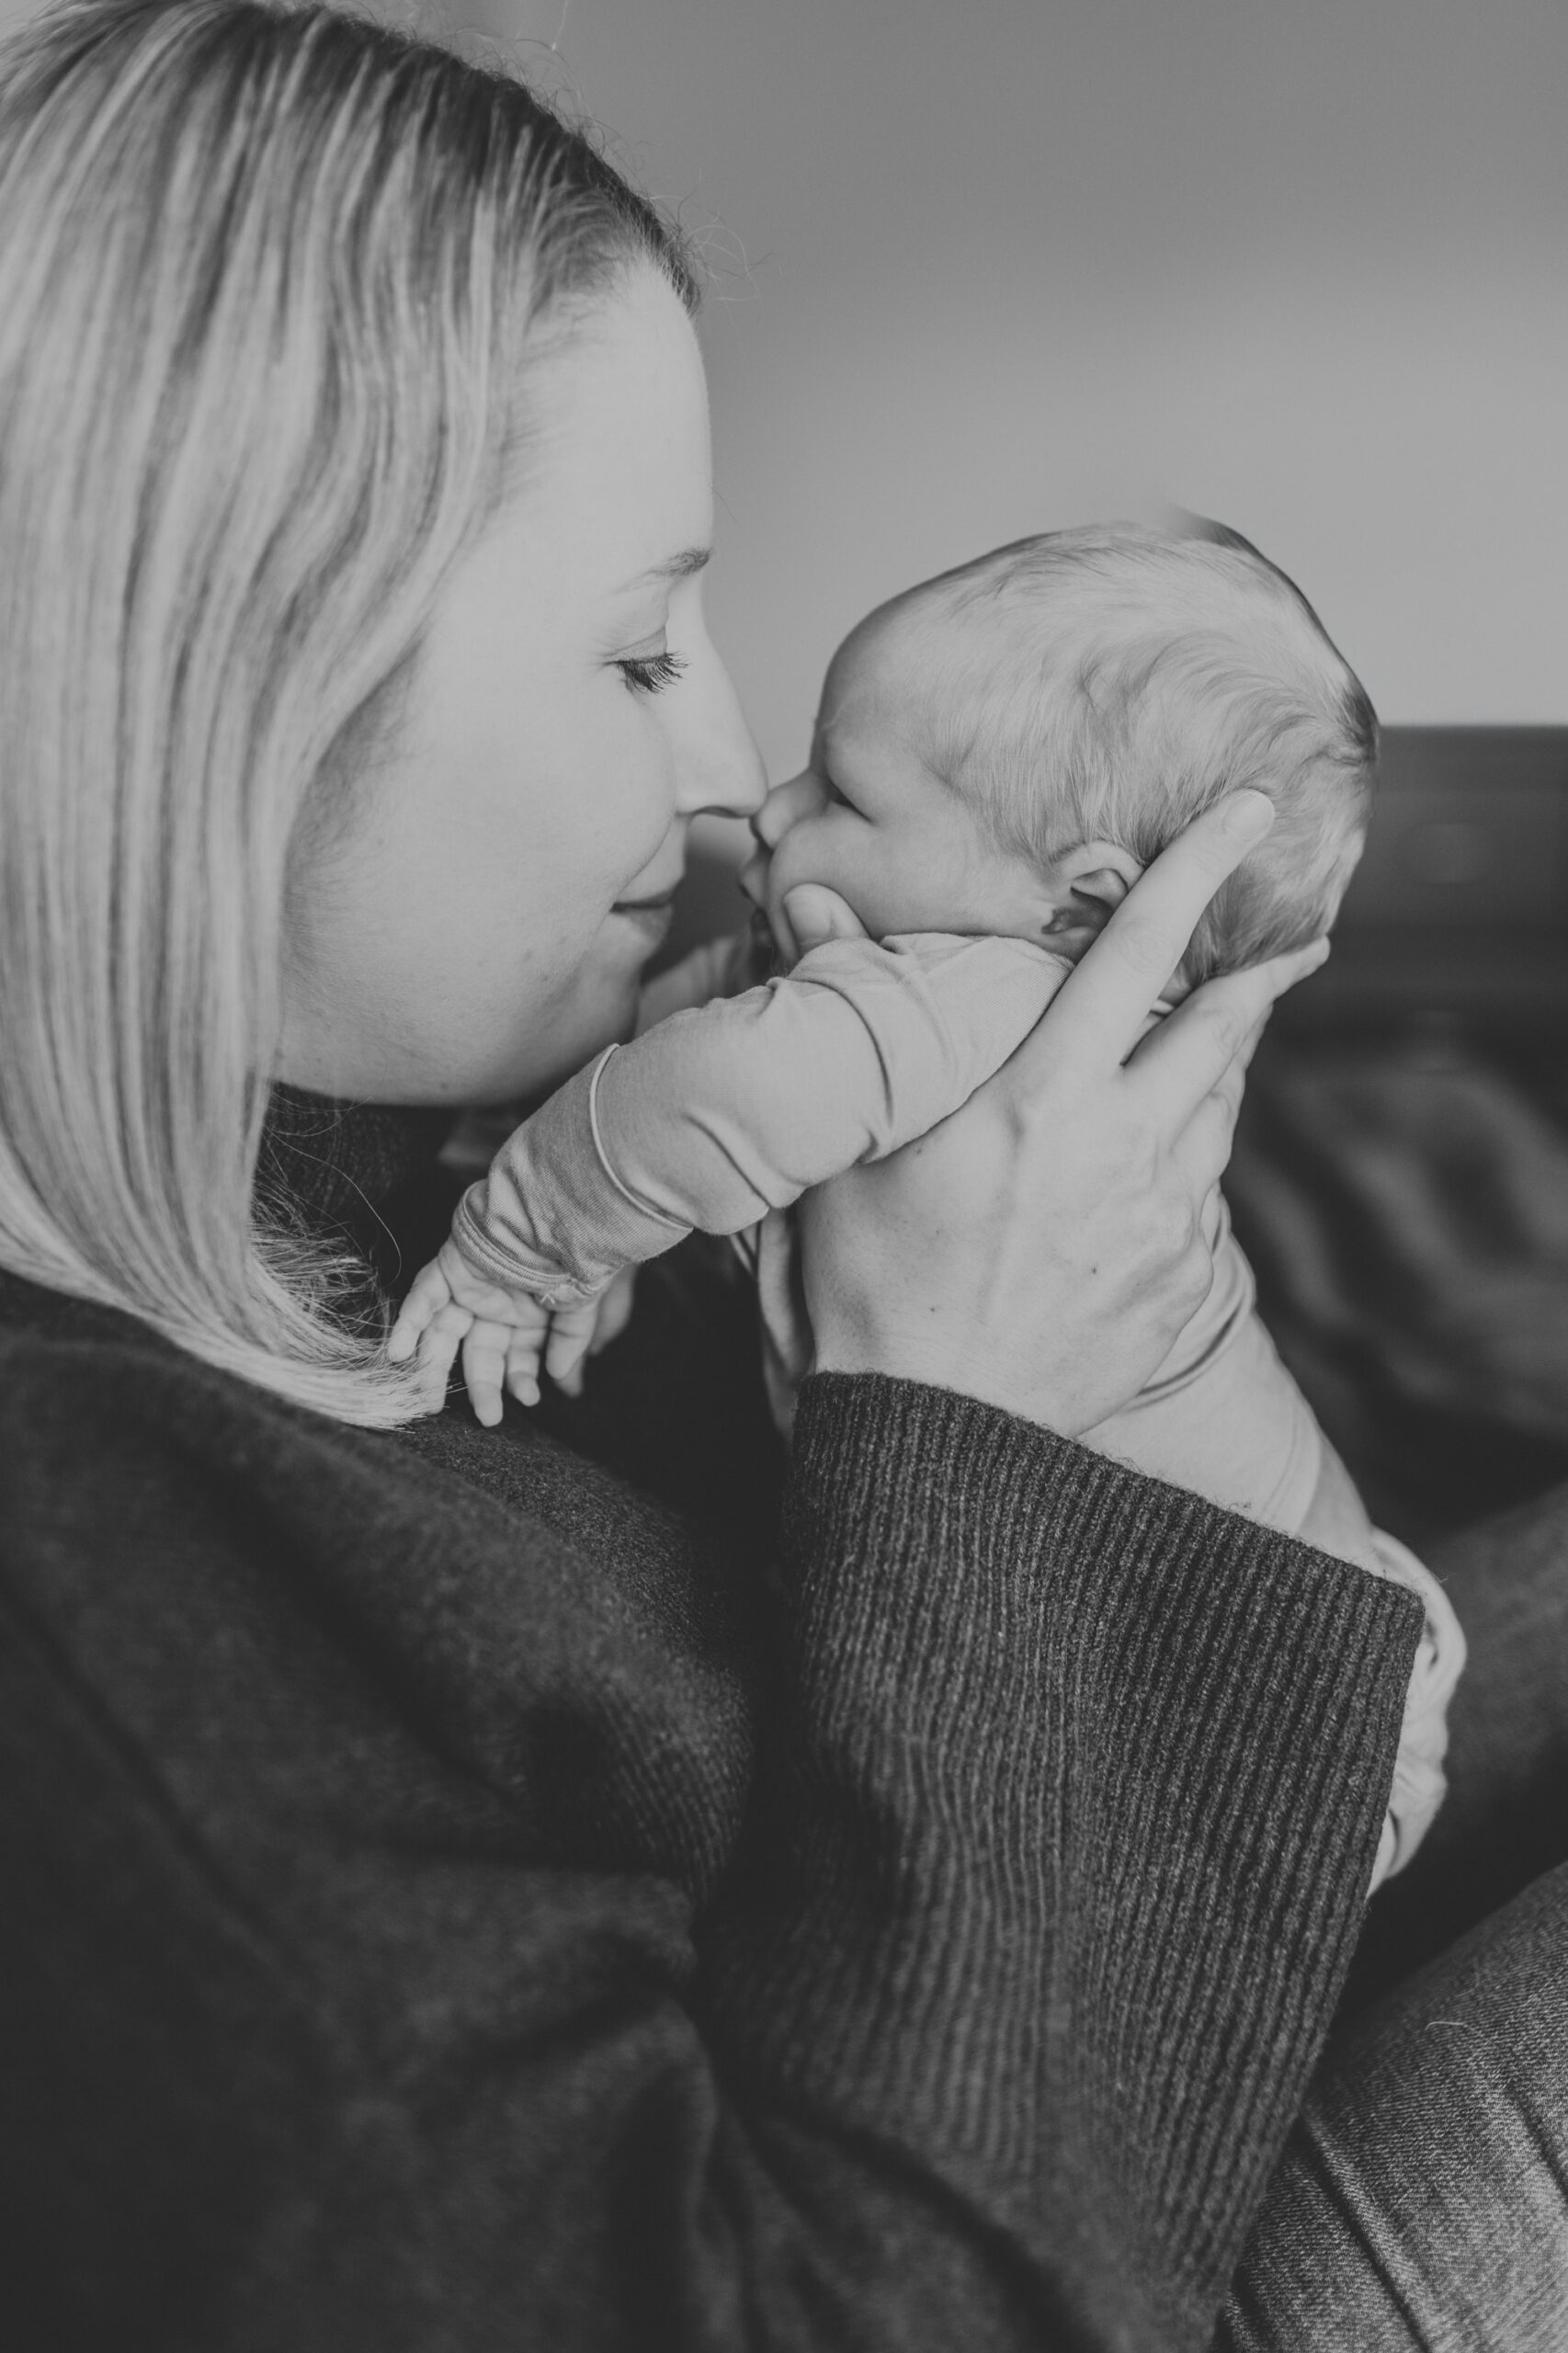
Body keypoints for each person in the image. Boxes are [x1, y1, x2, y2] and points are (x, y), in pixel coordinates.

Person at [0, 6, 1561, 2351]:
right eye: (635, 648)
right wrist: (982, 1409)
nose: (727, 764)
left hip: (1090, 1915)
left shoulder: (317, 1137)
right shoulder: (101, 1614)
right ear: (225, 688)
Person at [386, 518, 1463, 1891]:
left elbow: (719, 1080)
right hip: (1320, 1617)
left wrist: (522, 1238)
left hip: (1264, 1685)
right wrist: (558, 1129)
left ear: (1079, 904)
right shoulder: (983, 995)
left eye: (839, 789)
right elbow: (702, 1022)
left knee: (1157, 1906)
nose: (765, 812)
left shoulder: (983, 992)